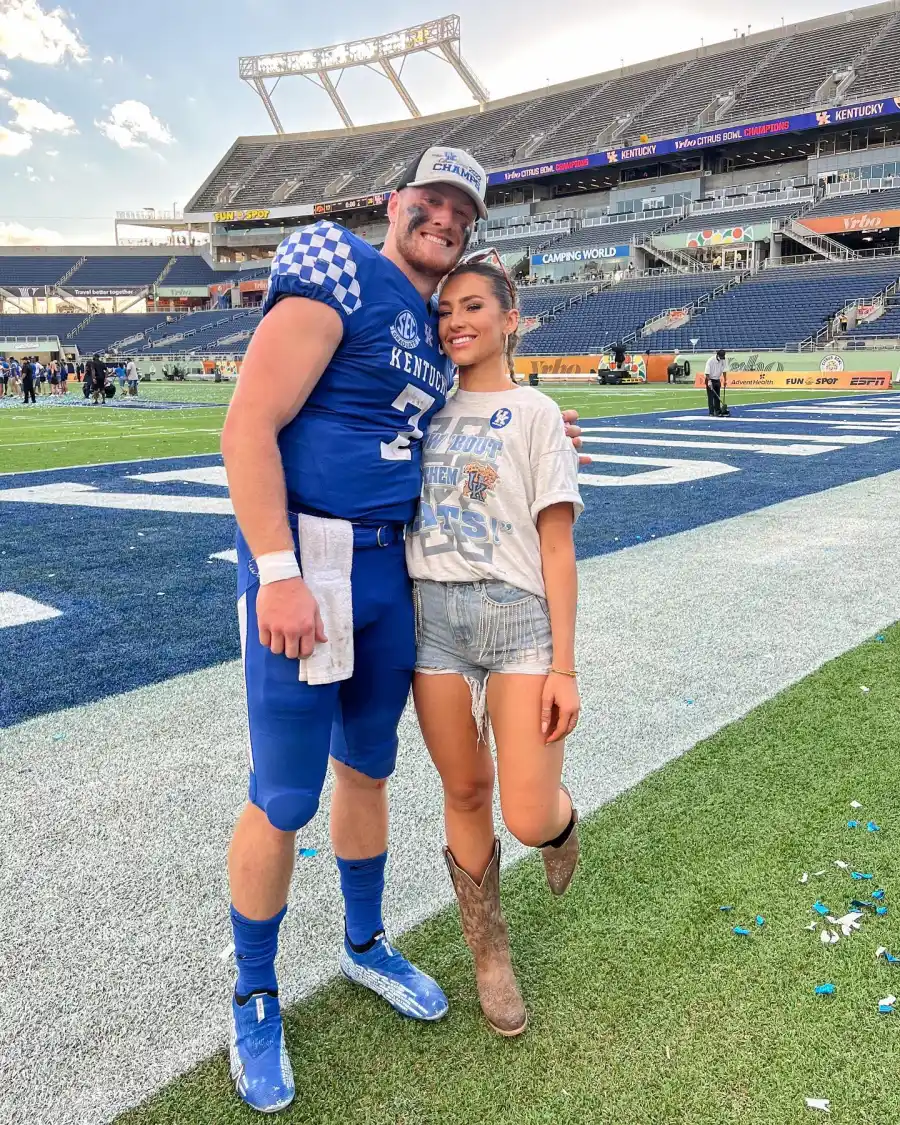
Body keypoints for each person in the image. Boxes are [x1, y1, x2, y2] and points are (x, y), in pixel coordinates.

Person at [220, 146, 585, 1114]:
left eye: (463, 209)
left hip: (392, 570)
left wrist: (545, 419)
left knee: (367, 770)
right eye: (431, 200)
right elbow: (247, 425)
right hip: (315, 560)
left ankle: (365, 941)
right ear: (397, 202)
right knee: (286, 793)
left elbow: (454, 422)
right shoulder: (339, 266)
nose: (446, 218)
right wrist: (279, 572)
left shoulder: (433, 324)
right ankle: (254, 990)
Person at [407, 253, 581, 1037]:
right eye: (445, 311)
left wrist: (566, 665)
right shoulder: (421, 411)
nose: (456, 322)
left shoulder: (539, 413)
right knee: (465, 790)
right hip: (432, 618)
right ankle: (489, 954)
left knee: (525, 810)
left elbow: (557, 547)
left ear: (513, 319)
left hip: (517, 619)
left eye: (473, 306)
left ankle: (561, 822)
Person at [705, 349, 727, 416]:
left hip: (717, 379)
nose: (721, 359)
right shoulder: (710, 361)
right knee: (711, 397)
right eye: (721, 357)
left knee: (717, 397)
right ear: (717, 355)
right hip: (710, 379)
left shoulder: (723, 360)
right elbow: (707, 372)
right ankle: (711, 412)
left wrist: (725, 380)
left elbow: (724, 370)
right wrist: (709, 381)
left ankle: (717, 411)